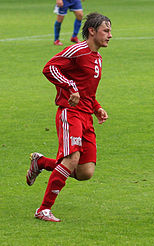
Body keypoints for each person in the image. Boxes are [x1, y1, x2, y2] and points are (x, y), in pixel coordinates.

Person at [26, 12, 112, 222]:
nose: (109, 35)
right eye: (106, 30)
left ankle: (41, 163)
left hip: (86, 116)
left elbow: (88, 91)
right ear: (92, 31)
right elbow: (49, 68)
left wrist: (97, 108)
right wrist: (70, 86)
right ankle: (43, 209)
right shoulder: (77, 50)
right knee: (71, 159)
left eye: (110, 31)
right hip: (70, 113)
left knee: (85, 172)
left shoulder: (98, 58)